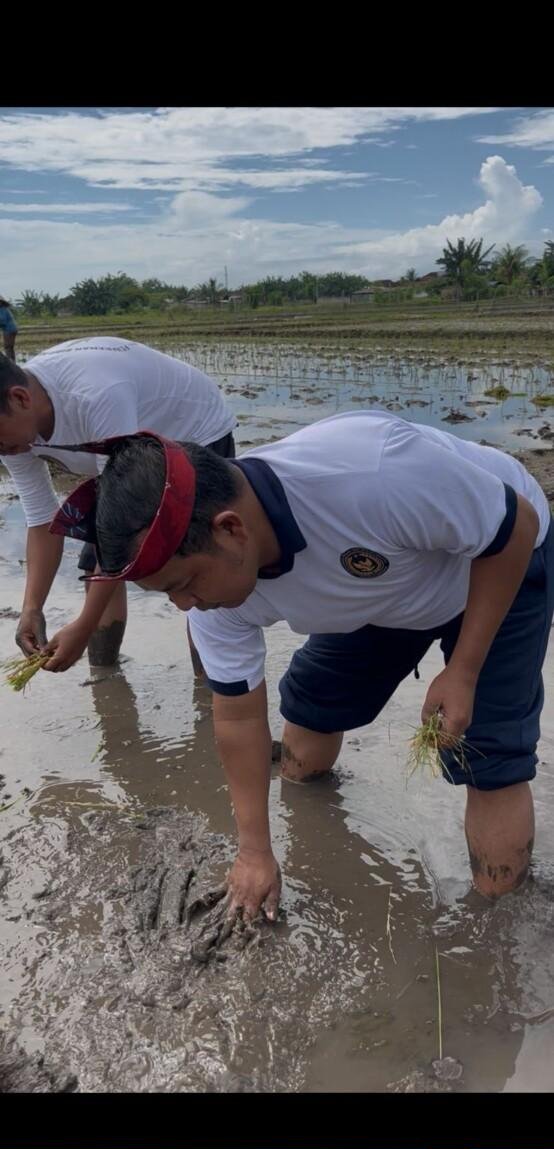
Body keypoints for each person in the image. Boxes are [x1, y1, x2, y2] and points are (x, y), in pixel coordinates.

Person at [51, 411, 553, 915]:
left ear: (230, 530)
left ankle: (494, 927)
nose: (184, 606)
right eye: (167, 596)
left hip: (497, 565)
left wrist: (463, 670)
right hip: (385, 590)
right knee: (309, 718)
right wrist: (254, 851)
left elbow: (514, 528)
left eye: (183, 586)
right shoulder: (210, 593)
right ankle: (315, 816)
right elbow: (239, 716)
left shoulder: (370, 474)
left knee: (488, 753)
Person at [0, 337, 236, 669]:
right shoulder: (13, 433)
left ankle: (213, 688)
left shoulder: (94, 396)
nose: (1, 451)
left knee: (197, 564)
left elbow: (118, 526)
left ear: (20, 398)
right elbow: (42, 519)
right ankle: (104, 675)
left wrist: (82, 626)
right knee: (93, 567)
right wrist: (32, 608)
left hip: (193, 429)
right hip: (129, 448)